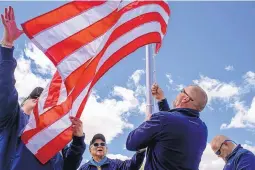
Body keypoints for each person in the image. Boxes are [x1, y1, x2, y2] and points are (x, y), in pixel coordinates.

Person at [0, 6, 86, 170]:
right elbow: (4, 89)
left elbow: (69, 167)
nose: (39, 99)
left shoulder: (55, 137)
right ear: (23, 103)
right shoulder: (12, 119)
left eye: (43, 98)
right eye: (34, 97)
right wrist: (7, 45)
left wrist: (78, 139)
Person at [126, 83, 208, 170]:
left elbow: (131, 143)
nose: (179, 93)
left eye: (182, 91)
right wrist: (161, 100)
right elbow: (174, 126)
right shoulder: (202, 128)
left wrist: (146, 123)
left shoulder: (163, 119)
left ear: (185, 98)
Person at [79, 133, 145, 170]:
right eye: (96, 144)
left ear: (106, 149)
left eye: (102, 144)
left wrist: (141, 149)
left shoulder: (117, 164)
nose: (100, 146)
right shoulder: (83, 168)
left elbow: (133, 165)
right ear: (90, 150)